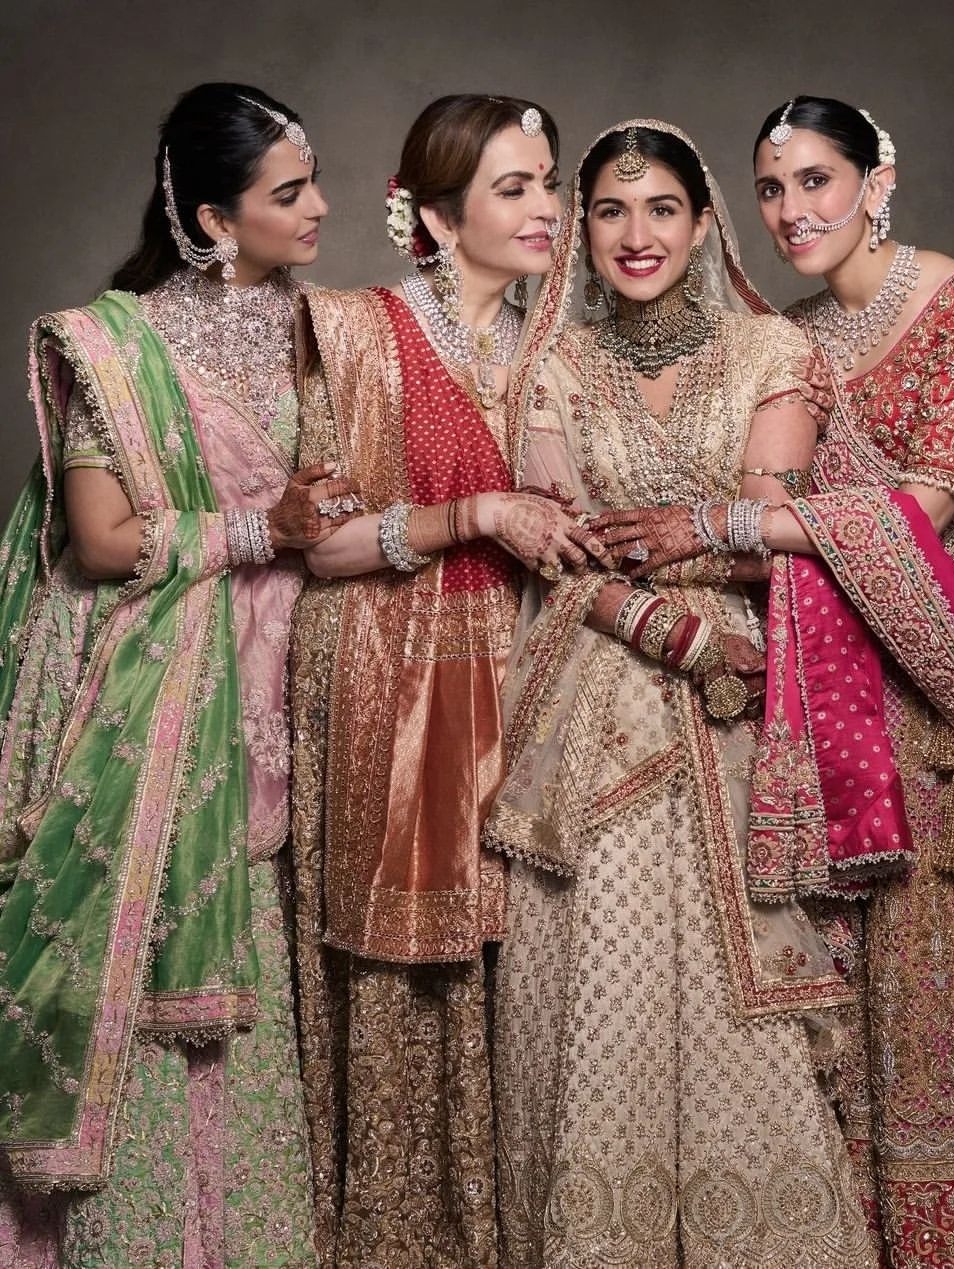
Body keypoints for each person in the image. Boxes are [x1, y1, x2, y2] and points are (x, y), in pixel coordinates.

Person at [599, 96, 954, 1265]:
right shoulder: (783, 338)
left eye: (815, 180)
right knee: (857, 972)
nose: (792, 210)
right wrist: (670, 541)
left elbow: (926, 509)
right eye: (771, 187)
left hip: (943, 662)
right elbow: (765, 531)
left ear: (875, 180)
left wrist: (709, 521)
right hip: (826, 674)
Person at [485, 120, 875, 1268]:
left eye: (661, 208)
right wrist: (668, 619)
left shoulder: (770, 353)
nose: (635, 233)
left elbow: (774, 530)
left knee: (734, 985)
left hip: (739, 712)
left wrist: (689, 551)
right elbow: (562, 552)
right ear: (582, 228)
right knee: (595, 977)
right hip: (591, 709)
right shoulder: (551, 367)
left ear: (704, 224)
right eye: (610, 209)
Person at [0, 81, 346, 1266]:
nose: (319, 208)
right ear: (212, 218)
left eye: (313, 183)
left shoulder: (325, 331)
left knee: (251, 983)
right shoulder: (119, 345)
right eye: (289, 193)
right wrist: (263, 529)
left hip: (279, 681)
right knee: (141, 979)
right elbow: (102, 541)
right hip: (152, 693)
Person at [287, 94, 601, 1268]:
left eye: (549, 182)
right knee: (400, 973)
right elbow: (323, 547)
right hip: (387, 681)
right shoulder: (353, 332)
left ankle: (510, 1233)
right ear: (433, 216)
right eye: (514, 187)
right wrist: (475, 514)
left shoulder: (560, 350)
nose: (546, 207)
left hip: (529, 682)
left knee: (530, 961)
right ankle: (398, 1238)